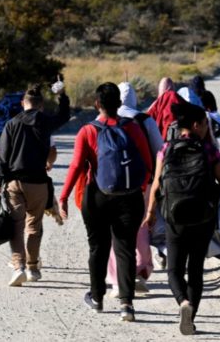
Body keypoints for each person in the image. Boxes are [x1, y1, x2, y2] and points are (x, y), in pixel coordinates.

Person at [143, 102, 220, 335]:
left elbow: (156, 184)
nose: (206, 128)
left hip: (175, 218)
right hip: (203, 218)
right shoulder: (209, 150)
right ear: (195, 125)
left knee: (174, 269)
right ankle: (190, 318)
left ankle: (183, 302)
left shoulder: (166, 149)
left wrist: (151, 213)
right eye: (204, 124)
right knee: (195, 269)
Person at [59, 82, 153, 322]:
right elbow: (147, 164)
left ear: (97, 104)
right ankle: (126, 305)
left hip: (98, 197)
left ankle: (98, 298)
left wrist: (64, 196)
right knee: (125, 249)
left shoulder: (88, 131)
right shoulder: (133, 128)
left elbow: (77, 166)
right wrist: (141, 189)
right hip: (130, 198)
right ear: (120, 104)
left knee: (98, 248)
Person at [0, 82, 70, 286]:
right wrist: (62, 95)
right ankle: (33, 268)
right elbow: (64, 116)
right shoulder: (44, 122)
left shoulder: (11, 123)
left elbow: (2, 155)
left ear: (22, 103)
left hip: (13, 183)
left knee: (16, 226)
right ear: (41, 105)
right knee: (34, 226)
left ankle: (18, 267)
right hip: (37, 182)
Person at [103, 81, 164, 296]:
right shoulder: (145, 120)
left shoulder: (104, 119)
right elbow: (159, 150)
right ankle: (140, 270)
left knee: (114, 230)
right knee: (141, 227)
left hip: (112, 183)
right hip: (142, 182)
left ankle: (116, 277)